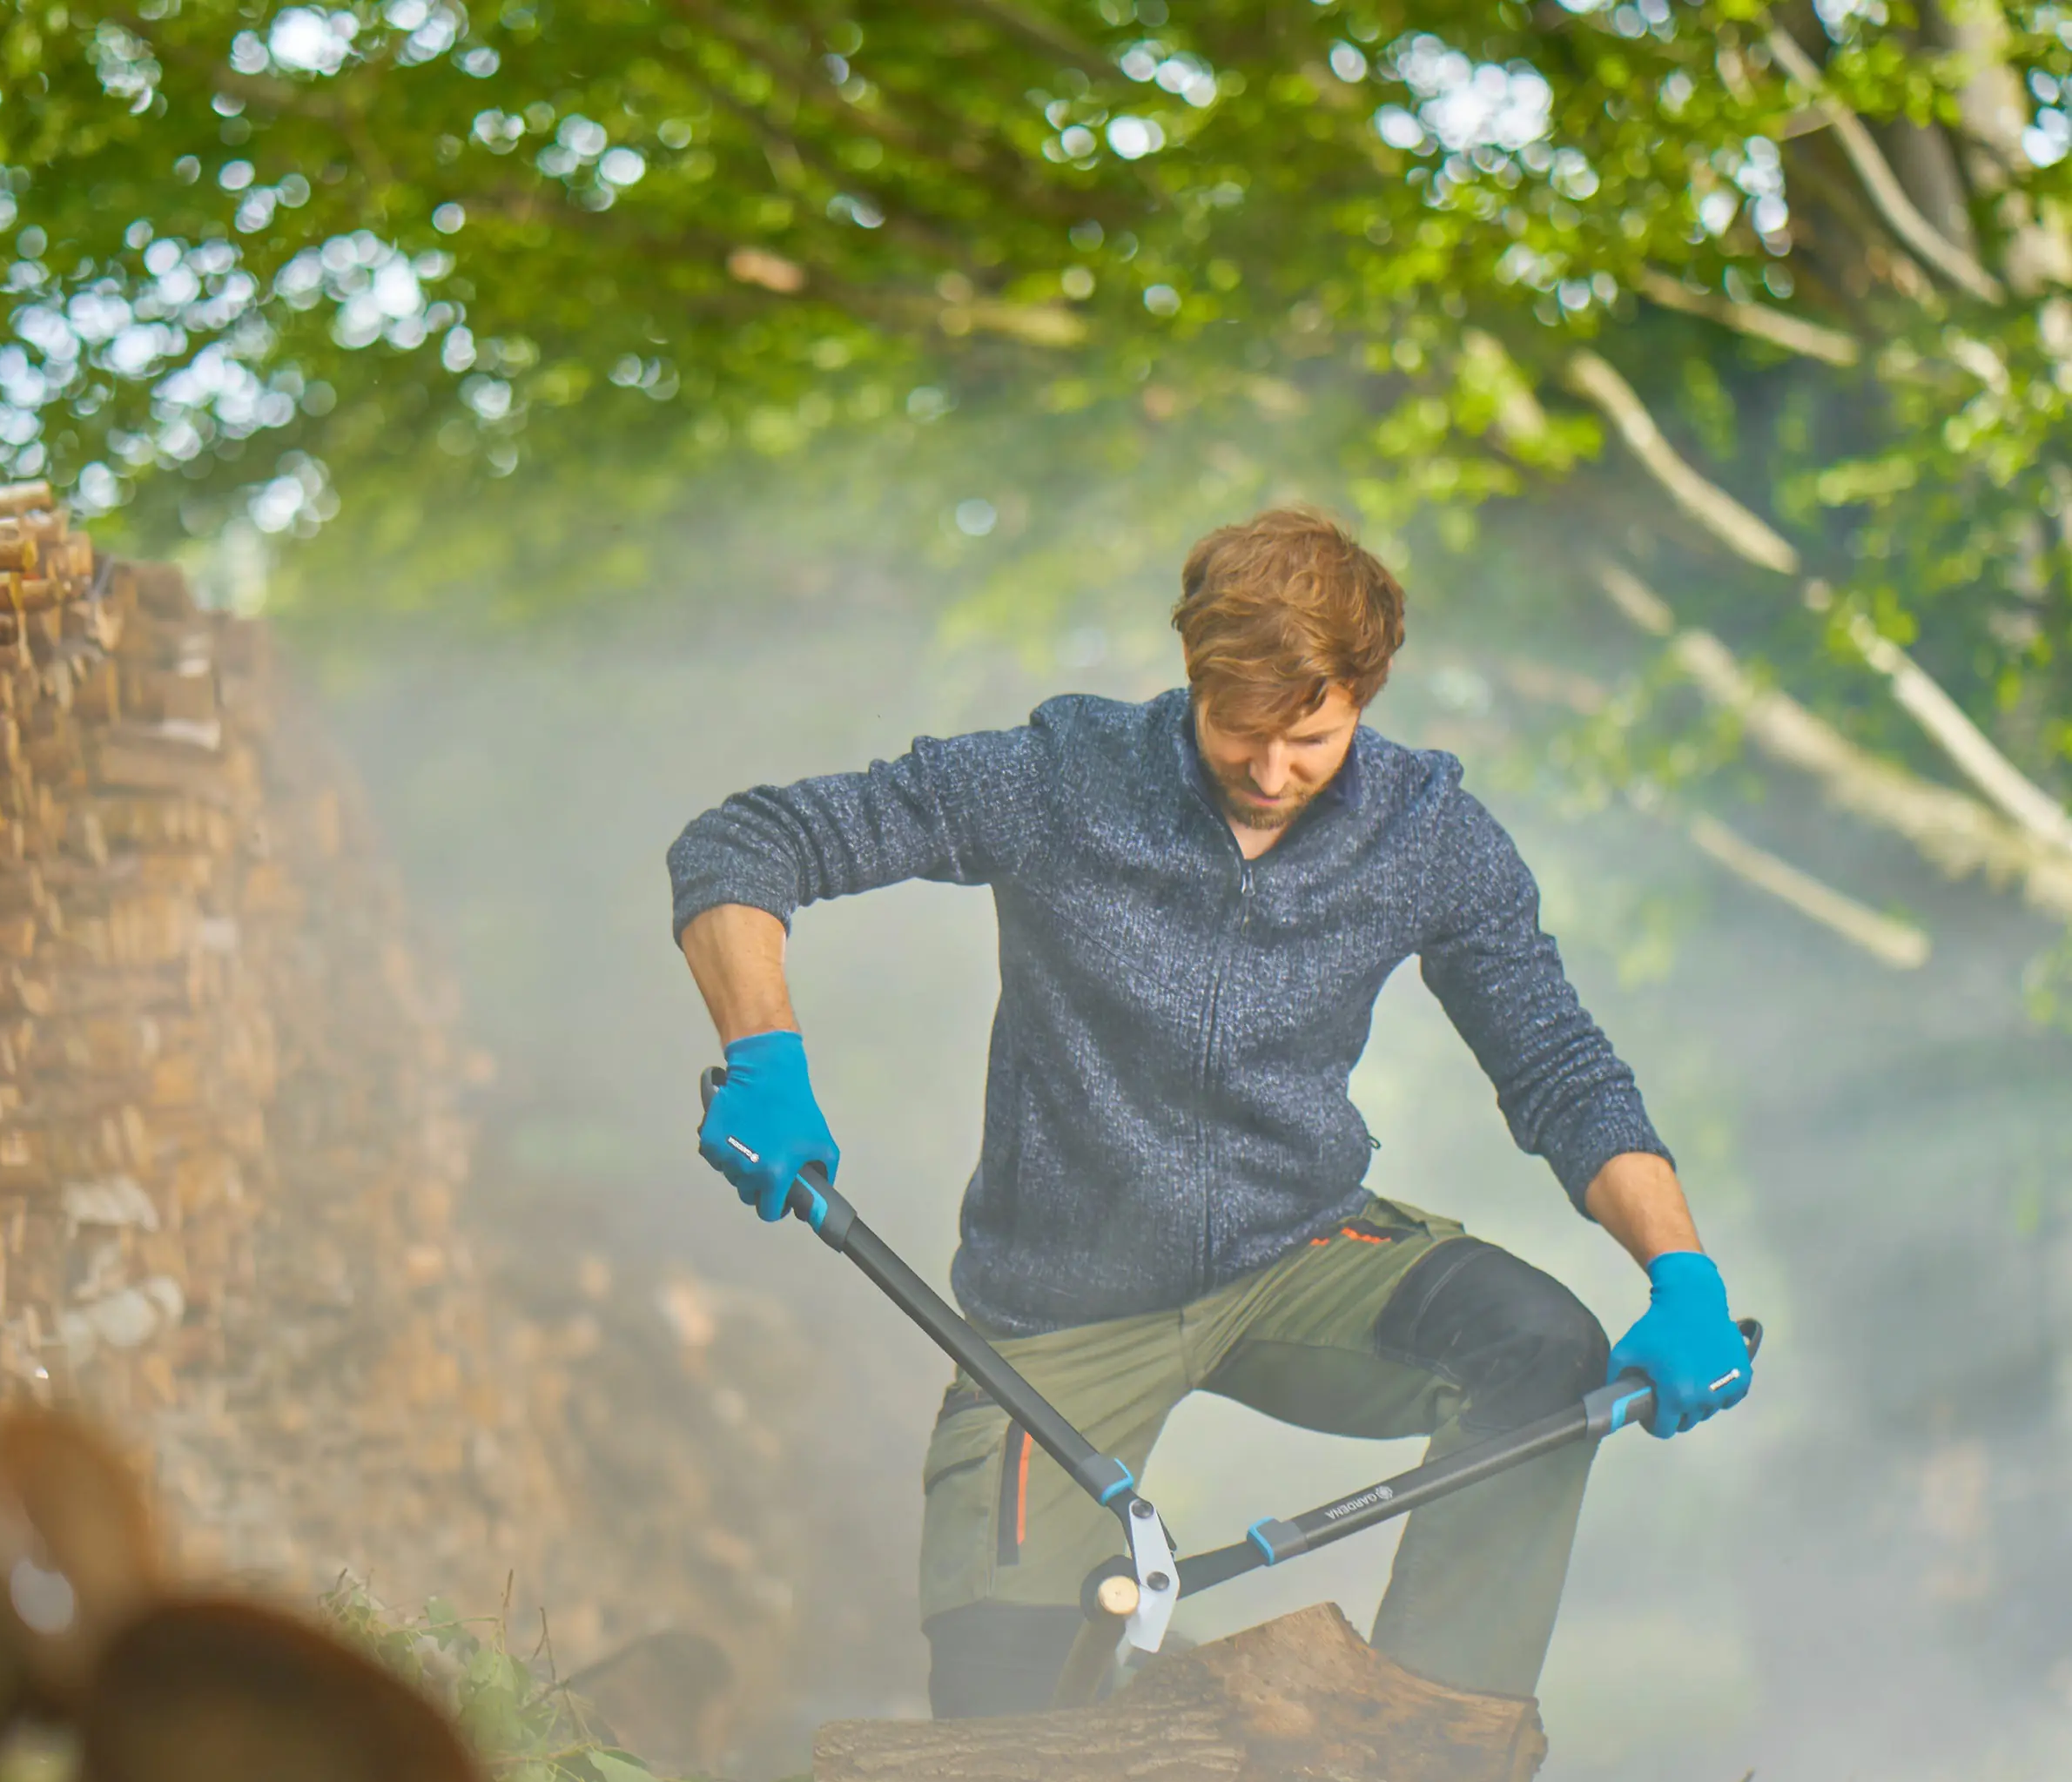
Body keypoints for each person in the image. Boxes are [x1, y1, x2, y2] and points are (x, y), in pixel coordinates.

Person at [668, 506, 1752, 1719]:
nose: (1273, 771)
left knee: (1542, 1354)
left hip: (1297, 1252)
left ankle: (1428, 1761)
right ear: (1194, 678)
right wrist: (764, 1057)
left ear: (1365, 698)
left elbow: (1560, 1067)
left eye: (1314, 736)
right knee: (998, 1734)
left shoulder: (1427, 835)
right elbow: (745, 844)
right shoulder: (1061, 780)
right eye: (1240, 728)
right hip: (1058, 1312)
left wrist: (1683, 1273)